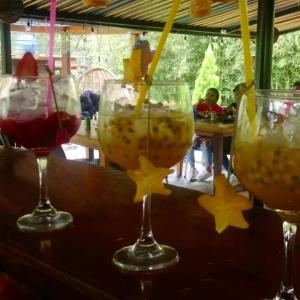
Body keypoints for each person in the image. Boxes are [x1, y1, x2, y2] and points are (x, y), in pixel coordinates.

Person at [187, 88, 224, 182]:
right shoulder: (200, 105)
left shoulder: (218, 108)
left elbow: (223, 117)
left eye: (212, 95)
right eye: (207, 94)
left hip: (211, 134)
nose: (208, 96)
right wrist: (195, 104)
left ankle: (208, 168)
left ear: (216, 99)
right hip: (199, 133)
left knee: (207, 142)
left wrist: (218, 115)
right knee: (188, 143)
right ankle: (192, 168)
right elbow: (189, 112)